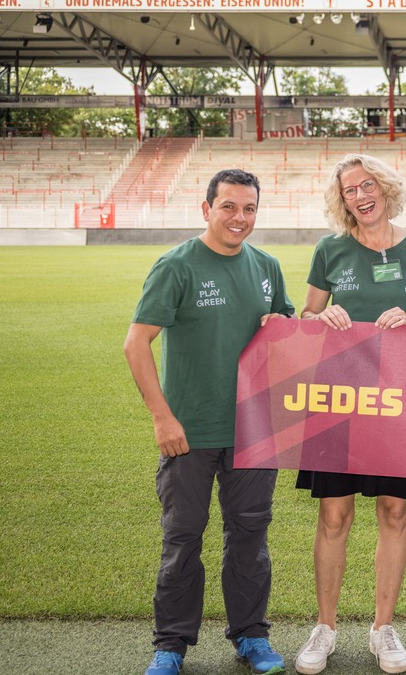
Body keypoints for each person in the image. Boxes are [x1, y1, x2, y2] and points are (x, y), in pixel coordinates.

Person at [123, 169, 294, 675]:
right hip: (190, 433)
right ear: (206, 209)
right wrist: (162, 418)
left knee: (250, 539)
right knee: (183, 540)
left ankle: (251, 636)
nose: (239, 218)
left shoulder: (267, 266)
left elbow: (282, 328)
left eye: (249, 209)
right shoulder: (177, 266)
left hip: (255, 431)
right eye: (228, 207)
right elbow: (136, 343)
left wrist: (281, 324)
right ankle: (171, 645)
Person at [292, 154, 406, 675]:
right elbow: (303, 316)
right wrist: (320, 315)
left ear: (385, 189)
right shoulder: (330, 249)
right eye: (350, 189)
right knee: (334, 514)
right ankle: (325, 628)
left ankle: (382, 629)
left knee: (395, 511)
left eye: (368, 184)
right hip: (338, 396)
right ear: (342, 199)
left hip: (400, 398)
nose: (360, 195)